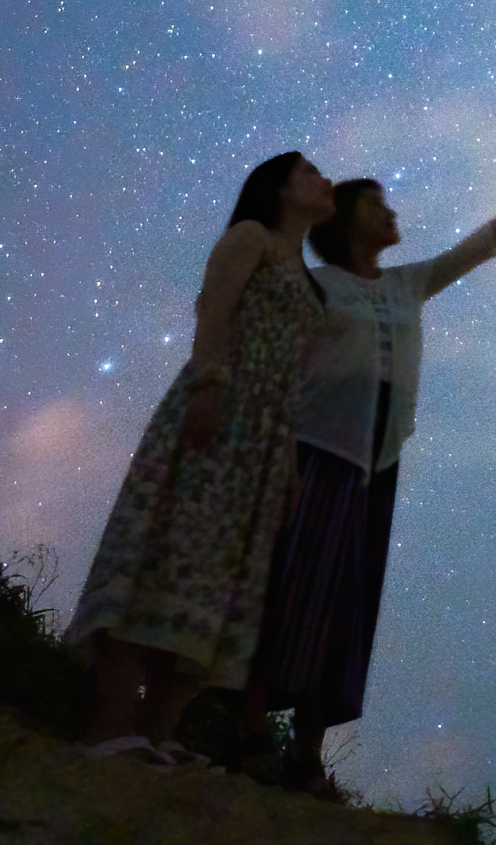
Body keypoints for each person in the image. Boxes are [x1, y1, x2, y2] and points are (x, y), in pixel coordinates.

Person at [246, 164, 496, 795]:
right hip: (315, 451)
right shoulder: (317, 285)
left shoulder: (406, 283)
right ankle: (246, 735)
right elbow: (277, 356)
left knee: (345, 601)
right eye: (378, 205)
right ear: (346, 222)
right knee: (287, 585)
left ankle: (305, 756)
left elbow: (474, 248)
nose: (392, 214)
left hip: (377, 464)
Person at [65, 150, 337, 764]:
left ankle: (162, 730)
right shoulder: (252, 238)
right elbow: (213, 310)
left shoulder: (308, 279)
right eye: (310, 173)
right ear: (279, 188)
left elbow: (298, 373)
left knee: (218, 578)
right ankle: (109, 724)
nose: (326, 181)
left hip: (265, 443)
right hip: (222, 412)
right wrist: (209, 386)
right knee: (166, 549)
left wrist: (289, 457)